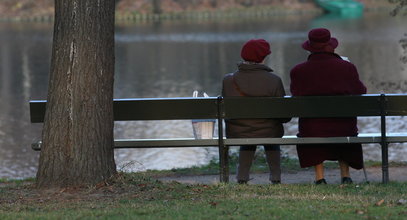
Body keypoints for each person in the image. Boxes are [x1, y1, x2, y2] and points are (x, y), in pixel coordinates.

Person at [290, 28, 367, 185]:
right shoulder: (347, 67)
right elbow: (361, 91)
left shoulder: (298, 71)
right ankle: (345, 176)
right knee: (343, 125)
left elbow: (295, 94)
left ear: (310, 47)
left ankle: (320, 177)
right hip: (344, 127)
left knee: (314, 126)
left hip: (312, 129)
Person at [222, 39, 290, 184]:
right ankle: (276, 176)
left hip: (238, 130)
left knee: (249, 128)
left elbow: (226, 113)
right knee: (268, 129)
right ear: (263, 57)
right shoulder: (274, 80)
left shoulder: (228, 80)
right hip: (269, 131)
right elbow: (285, 116)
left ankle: (242, 177)